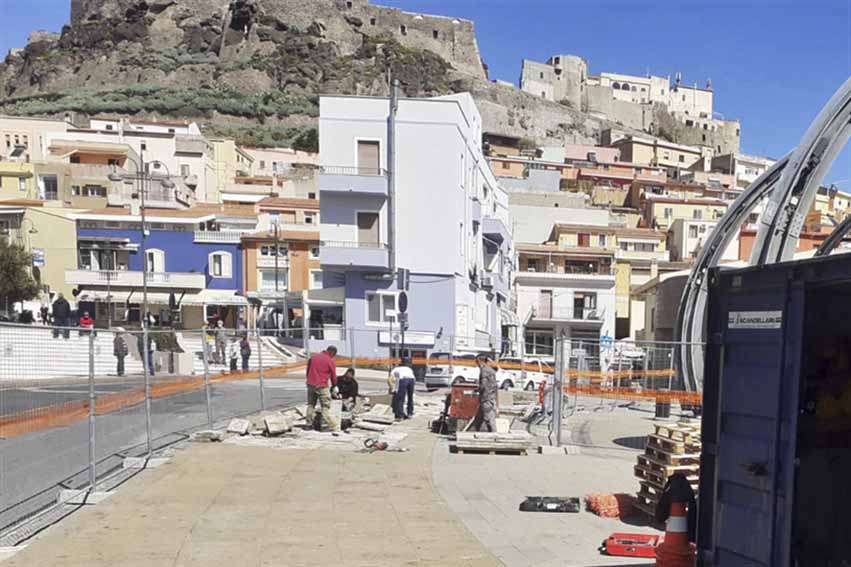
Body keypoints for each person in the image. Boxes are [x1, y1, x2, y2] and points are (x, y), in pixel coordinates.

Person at [305, 346, 338, 431]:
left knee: (311, 404)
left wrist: (309, 380)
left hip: (311, 384)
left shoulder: (313, 357)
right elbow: (333, 376)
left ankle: (308, 424)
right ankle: (324, 425)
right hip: (322, 386)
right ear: (332, 353)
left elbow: (308, 370)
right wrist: (334, 386)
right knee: (325, 406)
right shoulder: (329, 360)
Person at [471, 354, 498, 432]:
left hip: (486, 398)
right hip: (490, 397)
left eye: (477, 362)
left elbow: (483, 385)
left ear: (480, 361)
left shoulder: (484, 371)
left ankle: (494, 436)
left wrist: (476, 390)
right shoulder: (490, 370)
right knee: (479, 419)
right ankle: (474, 433)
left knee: (489, 419)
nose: (477, 364)